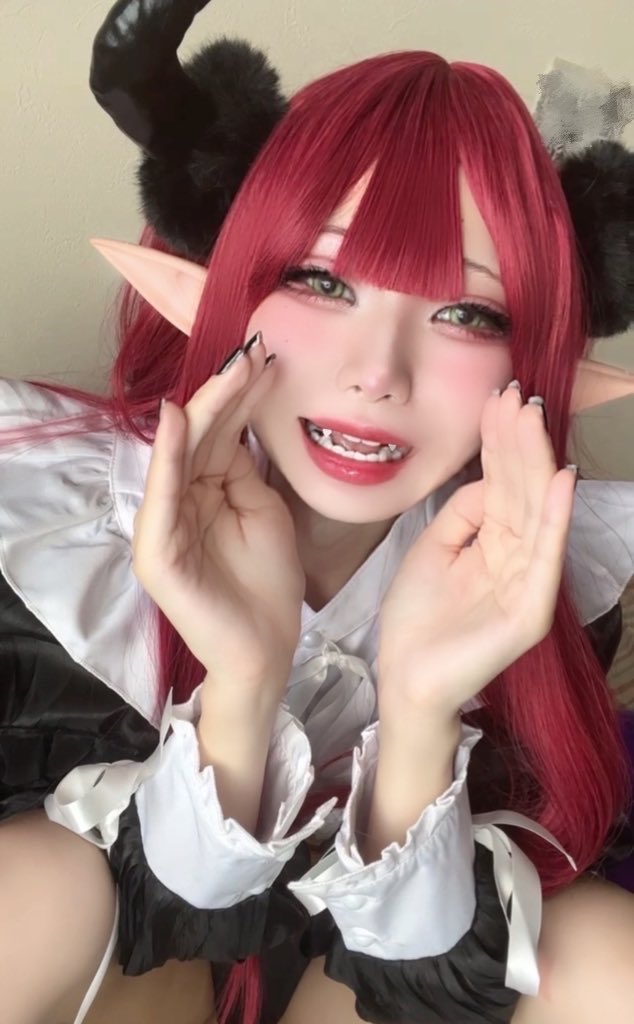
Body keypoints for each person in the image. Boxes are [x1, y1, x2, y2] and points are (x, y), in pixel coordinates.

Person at [1, 2, 634, 1023]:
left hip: (350, 990)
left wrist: (421, 708)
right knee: (46, 891)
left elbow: (427, 981)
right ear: (234, 284)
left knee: (601, 955)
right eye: (321, 281)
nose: (376, 373)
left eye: (465, 312)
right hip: (126, 981)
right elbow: (158, 919)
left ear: (531, 356)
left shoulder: (536, 564)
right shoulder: (56, 522)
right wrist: (242, 685)